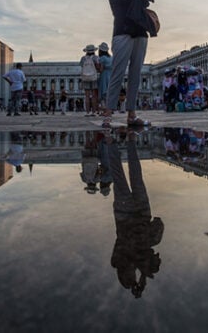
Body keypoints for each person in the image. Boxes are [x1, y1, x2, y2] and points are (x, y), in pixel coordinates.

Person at [107, 128, 163, 298]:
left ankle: (120, 140)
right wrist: (142, 278)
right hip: (130, 213)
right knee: (126, 174)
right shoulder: (127, 257)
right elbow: (159, 222)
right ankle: (119, 141)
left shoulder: (121, 260)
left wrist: (140, 280)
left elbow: (159, 223)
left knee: (131, 173)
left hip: (133, 212)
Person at [101, 0, 152, 128]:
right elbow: (123, 1)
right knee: (118, 73)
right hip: (122, 33)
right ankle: (108, 114)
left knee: (135, 75)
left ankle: (132, 114)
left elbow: (144, 3)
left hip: (140, 34)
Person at [80, 44, 100, 116]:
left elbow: (82, 66)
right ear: (94, 51)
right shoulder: (96, 58)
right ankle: (93, 112)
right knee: (94, 95)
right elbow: (98, 67)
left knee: (87, 96)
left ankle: (87, 112)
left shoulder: (83, 58)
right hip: (94, 77)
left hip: (85, 78)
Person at [98, 42, 113, 109]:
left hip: (104, 75)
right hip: (111, 75)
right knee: (109, 92)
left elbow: (101, 69)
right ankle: (110, 108)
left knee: (103, 92)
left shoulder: (102, 58)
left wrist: (97, 68)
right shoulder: (111, 58)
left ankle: (105, 109)